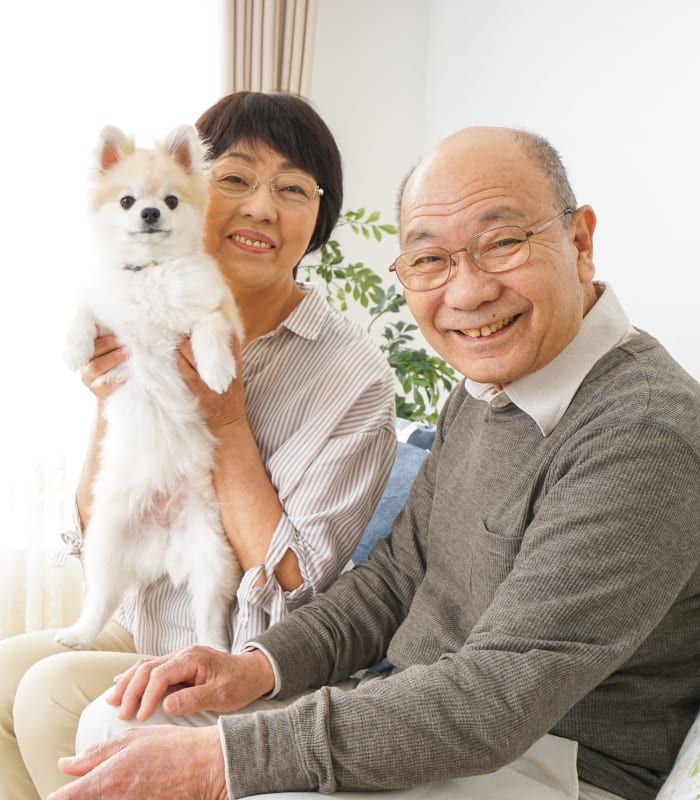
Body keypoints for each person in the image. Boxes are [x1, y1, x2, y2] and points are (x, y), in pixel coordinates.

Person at [50, 125, 699, 800]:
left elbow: (498, 697)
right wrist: (259, 665)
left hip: (551, 762)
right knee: (116, 723)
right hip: (411, 708)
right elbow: (397, 575)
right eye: (429, 259)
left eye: (502, 243)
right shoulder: (485, 389)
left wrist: (222, 761)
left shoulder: (643, 430)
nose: (468, 292)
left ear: (580, 241)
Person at [0, 91, 397, 800]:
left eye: (293, 188)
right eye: (236, 178)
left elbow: (296, 595)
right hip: (137, 619)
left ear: (320, 215)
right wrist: (108, 401)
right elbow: (95, 525)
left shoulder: (352, 373)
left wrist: (229, 420)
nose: (261, 208)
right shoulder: (137, 305)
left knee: (50, 694)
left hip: (237, 653)